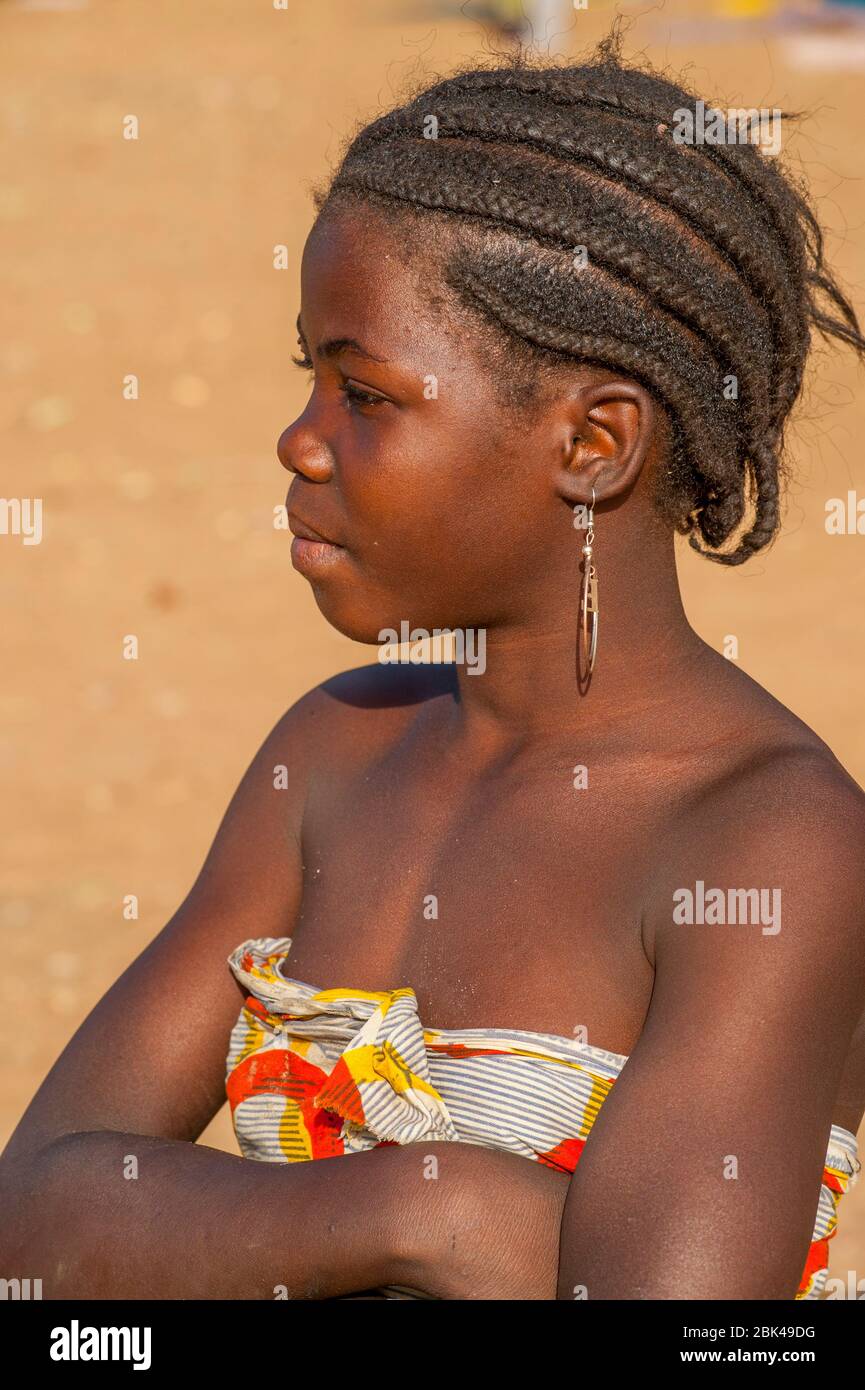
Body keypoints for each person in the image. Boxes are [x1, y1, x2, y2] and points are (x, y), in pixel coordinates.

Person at [2, 35, 865, 1301]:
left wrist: (226, 1238)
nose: (300, 441)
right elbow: (32, 1223)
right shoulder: (335, 754)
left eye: (366, 394)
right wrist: (430, 1205)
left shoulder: (765, 847)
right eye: (309, 377)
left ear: (592, 444)